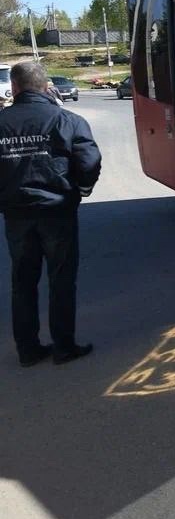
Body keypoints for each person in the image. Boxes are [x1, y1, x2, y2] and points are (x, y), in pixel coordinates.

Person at [0, 61, 100, 367]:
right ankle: (63, 347)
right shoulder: (67, 120)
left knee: (23, 282)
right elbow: (89, 159)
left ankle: (28, 350)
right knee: (60, 280)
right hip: (57, 211)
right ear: (46, 87)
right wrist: (81, 189)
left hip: (16, 214)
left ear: (14, 87)